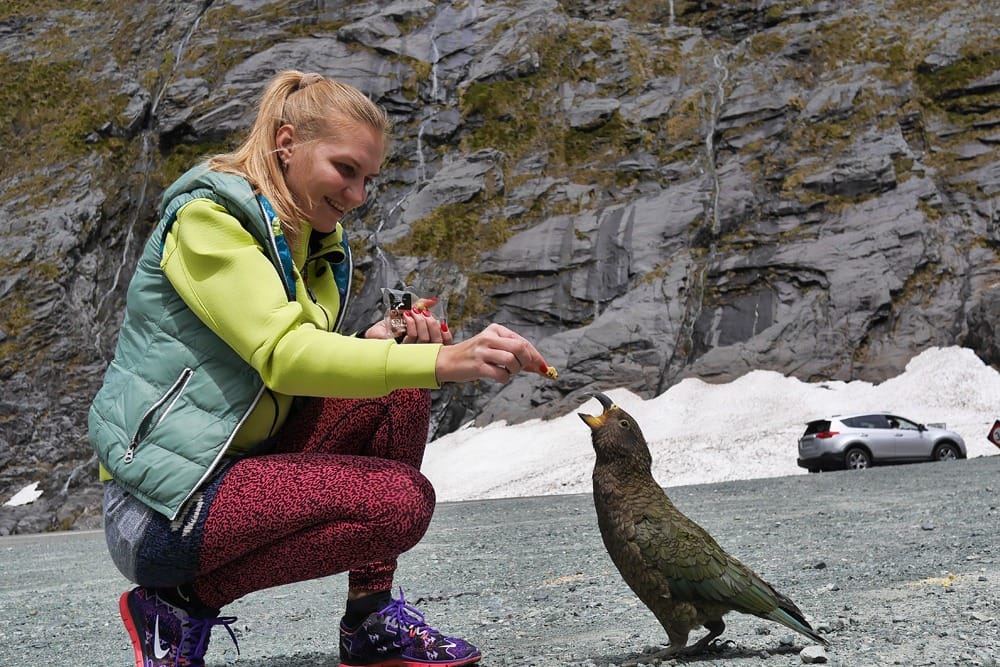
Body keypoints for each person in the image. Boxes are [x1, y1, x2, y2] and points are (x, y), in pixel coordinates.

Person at [88, 70, 550, 667]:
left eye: (368, 179)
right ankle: (175, 604)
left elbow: (285, 366)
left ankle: (370, 619)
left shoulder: (315, 242)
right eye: (345, 169)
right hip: (159, 509)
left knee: (400, 388)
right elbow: (284, 356)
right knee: (400, 502)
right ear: (287, 143)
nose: (357, 195)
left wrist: (379, 344)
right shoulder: (207, 222)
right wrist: (444, 360)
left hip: (239, 468)